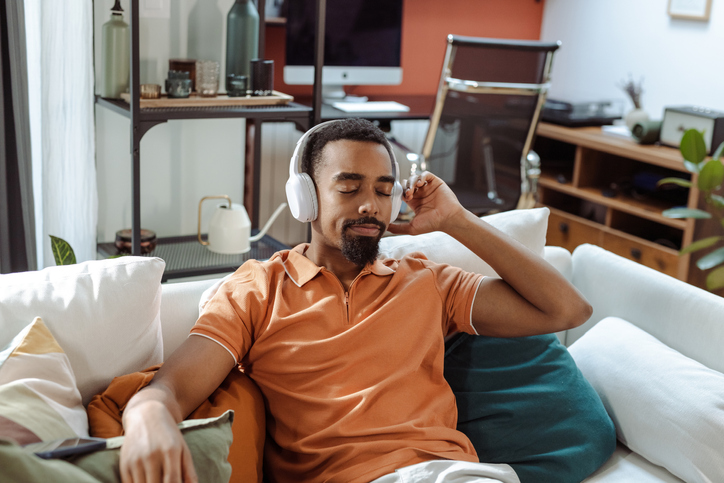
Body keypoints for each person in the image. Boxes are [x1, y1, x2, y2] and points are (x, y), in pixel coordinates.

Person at [119, 118, 591, 483]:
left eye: (384, 191)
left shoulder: (426, 281)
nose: (371, 205)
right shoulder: (257, 290)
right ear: (306, 198)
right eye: (349, 188)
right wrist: (147, 417)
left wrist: (457, 220)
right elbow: (170, 390)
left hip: (451, 473)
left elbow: (567, 310)